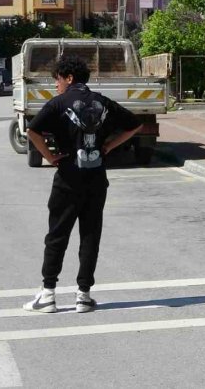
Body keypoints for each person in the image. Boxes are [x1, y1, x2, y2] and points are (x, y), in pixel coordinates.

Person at [23, 56, 141, 313]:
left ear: (69, 78)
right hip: (97, 178)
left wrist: (50, 157)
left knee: (57, 235)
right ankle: (83, 295)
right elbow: (134, 124)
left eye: (57, 80)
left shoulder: (57, 103)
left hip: (67, 178)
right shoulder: (103, 102)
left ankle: (48, 294)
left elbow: (32, 131)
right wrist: (109, 145)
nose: (56, 86)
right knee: (90, 235)